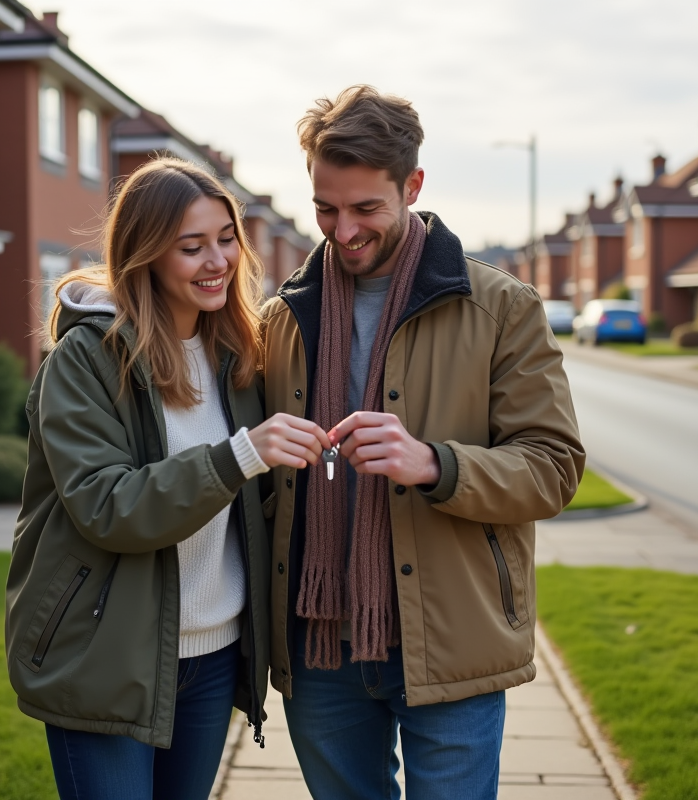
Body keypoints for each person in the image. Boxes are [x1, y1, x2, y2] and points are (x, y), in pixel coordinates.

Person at [261, 86, 586, 799]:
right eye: (325, 208)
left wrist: (435, 463)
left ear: (412, 186)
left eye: (365, 208)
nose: (342, 231)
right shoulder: (280, 319)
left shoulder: (502, 307)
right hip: (320, 643)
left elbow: (554, 468)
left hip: (450, 638)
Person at [6, 158, 331, 800]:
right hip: (105, 652)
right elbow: (107, 505)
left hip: (214, 653)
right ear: (145, 254)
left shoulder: (237, 355)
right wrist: (239, 456)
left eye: (226, 238)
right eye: (192, 247)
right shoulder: (87, 361)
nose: (218, 261)